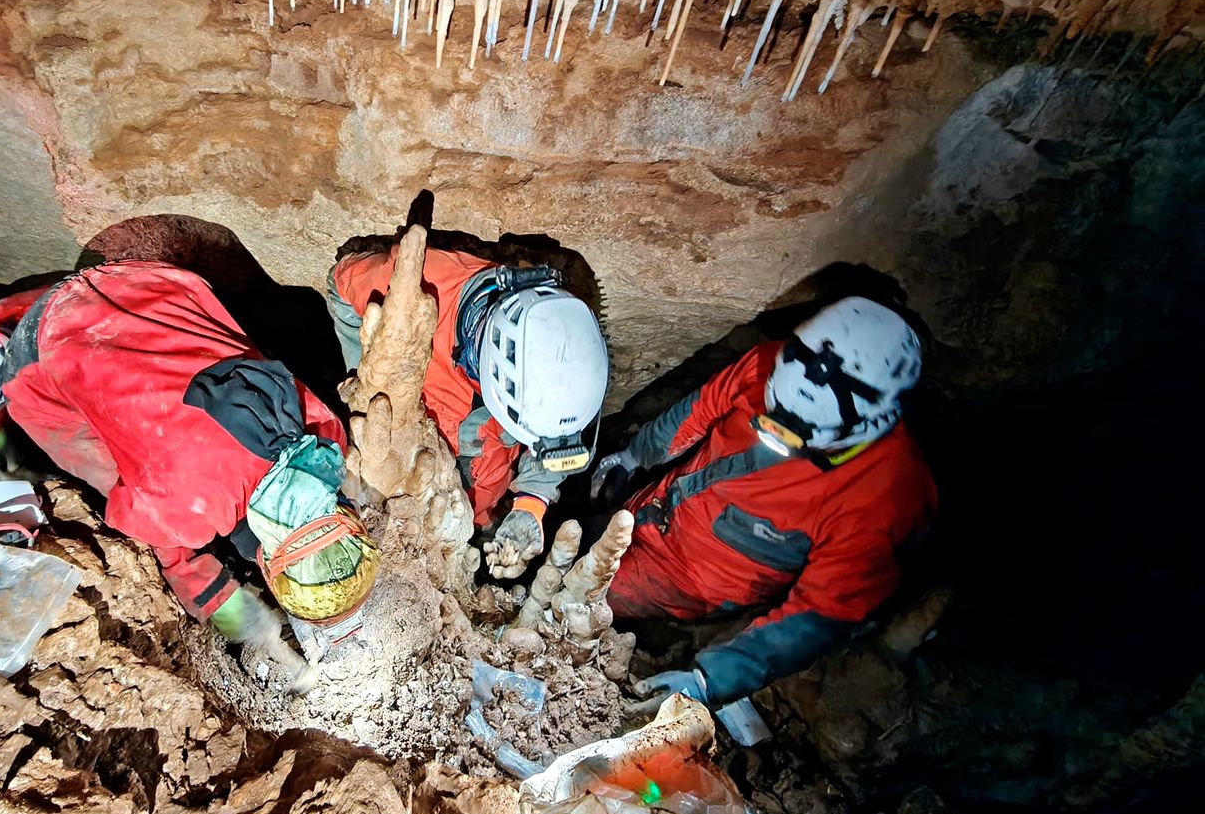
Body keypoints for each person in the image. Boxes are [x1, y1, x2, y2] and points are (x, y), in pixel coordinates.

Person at [0, 260, 378, 681]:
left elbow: (182, 552)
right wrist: (242, 615)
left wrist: (246, 617)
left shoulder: (322, 435)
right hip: (102, 306)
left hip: (144, 292)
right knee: (103, 461)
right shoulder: (191, 502)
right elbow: (174, 548)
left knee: (129, 447)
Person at [594, 297, 936, 711]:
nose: (774, 433)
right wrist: (634, 457)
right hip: (650, 508)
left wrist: (710, 681)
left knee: (586, 597)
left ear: (865, 425)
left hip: (690, 577)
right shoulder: (772, 363)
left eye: (791, 435)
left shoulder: (884, 501)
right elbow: (697, 411)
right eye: (772, 416)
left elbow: (818, 615)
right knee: (580, 546)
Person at [328, 241, 608, 577]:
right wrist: (373, 377)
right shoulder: (424, 288)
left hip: (481, 497)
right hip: (420, 478)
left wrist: (532, 503)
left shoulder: (564, 340)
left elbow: (554, 435)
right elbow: (342, 281)